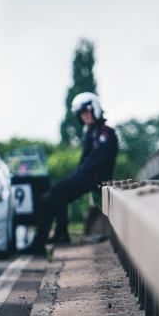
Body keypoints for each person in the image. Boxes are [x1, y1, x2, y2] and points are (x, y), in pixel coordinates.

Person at [32, 92, 118, 251]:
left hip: (97, 178)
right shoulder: (89, 132)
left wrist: (77, 175)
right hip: (86, 176)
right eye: (81, 114)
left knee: (58, 187)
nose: (84, 116)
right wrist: (76, 175)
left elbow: (96, 161)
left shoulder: (107, 132)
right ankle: (39, 242)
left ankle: (62, 233)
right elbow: (84, 159)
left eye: (86, 112)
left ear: (95, 109)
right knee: (47, 199)